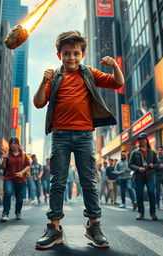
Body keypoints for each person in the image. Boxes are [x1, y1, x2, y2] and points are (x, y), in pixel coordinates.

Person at [33, 31, 124, 249]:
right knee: (57, 182)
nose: (71, 57)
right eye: (66, 53)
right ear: (59, 55)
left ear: (83, 54)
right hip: (60, 135)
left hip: (84, 135)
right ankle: (54, 229)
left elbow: (117, 83)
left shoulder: (89, 73)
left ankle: (94, 226)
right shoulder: (54, 77)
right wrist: (43, 81)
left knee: (88, 182)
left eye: (75, 53)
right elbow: (38, 103)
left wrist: (114, 66)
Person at [129, 133, 158, 221]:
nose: (142, 141)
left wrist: (153, 165)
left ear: (146, 140)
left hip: (150, 176)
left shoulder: (152, 152)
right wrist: (138, 168)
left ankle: (153, 213)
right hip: (139, 176)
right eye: (140, 139)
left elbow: (157, 164)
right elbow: (130, 164)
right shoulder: (135, 152)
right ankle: (141, 213)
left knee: (151, 193)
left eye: (144, 139)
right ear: (139, 141)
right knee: (139, 194)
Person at [0, 137, 30, 222]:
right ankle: (5, 213)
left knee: (19, 197)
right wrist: (4, 159)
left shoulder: (23, 155)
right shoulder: (7, 154)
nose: (13, 145)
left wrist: (22, 172)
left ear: (18, 144)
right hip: (9, 177)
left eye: (15, 143)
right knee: (8, 193)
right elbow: (3, 167)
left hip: (20, 179)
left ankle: (18, 212)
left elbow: (28, 165)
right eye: (11, 143)